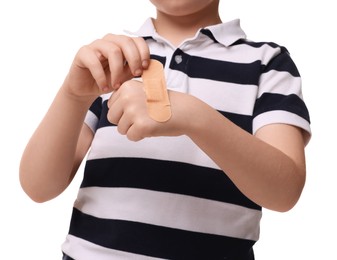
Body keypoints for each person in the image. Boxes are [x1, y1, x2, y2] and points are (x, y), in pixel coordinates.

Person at [19, 0, 311, 259]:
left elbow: (284, 192)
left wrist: (194, 116)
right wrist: (73, 96)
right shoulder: (112, 59)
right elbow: (39, 187)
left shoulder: (266, 65)